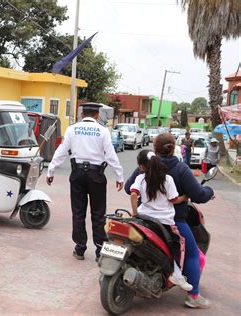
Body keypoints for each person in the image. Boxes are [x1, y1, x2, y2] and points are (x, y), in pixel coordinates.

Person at [125, 133, 214, 309]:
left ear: (154, 146)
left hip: (143, 218)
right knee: (192, 254)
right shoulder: (181, 169)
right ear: (173, 147)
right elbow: (197, 194)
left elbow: (129, 188)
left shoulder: (146, 166)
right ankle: (193, 296)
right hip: (172, 220)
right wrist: (209, 191)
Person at [47, 103, 124, 262]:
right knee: (98, 214)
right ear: (97, 115)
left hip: (77, 175)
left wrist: (51, 171)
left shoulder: (72, 129)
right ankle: (100, 250)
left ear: (82, 115)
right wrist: (119, 176)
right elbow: (110, 155)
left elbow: (61, 151)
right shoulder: (103, 131)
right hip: (96, 175)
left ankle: (80, 248)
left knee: (78, 212)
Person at [130, 149, 192, 291]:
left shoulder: (141, 178)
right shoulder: (167, 179)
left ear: (141, 166)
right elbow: (174, 200)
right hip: (164, 223)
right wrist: (185, 197)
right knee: (178, 245)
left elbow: (133, 195)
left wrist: (135, 213)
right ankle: (177, 274)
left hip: (144, 219)